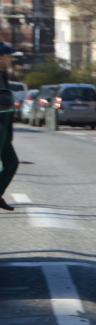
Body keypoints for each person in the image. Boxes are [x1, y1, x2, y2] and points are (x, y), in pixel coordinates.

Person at [0, 42, 19, 211]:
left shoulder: (2, 73)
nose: (11, 58)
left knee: (11, 162)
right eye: (8, 55)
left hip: (4, 126)